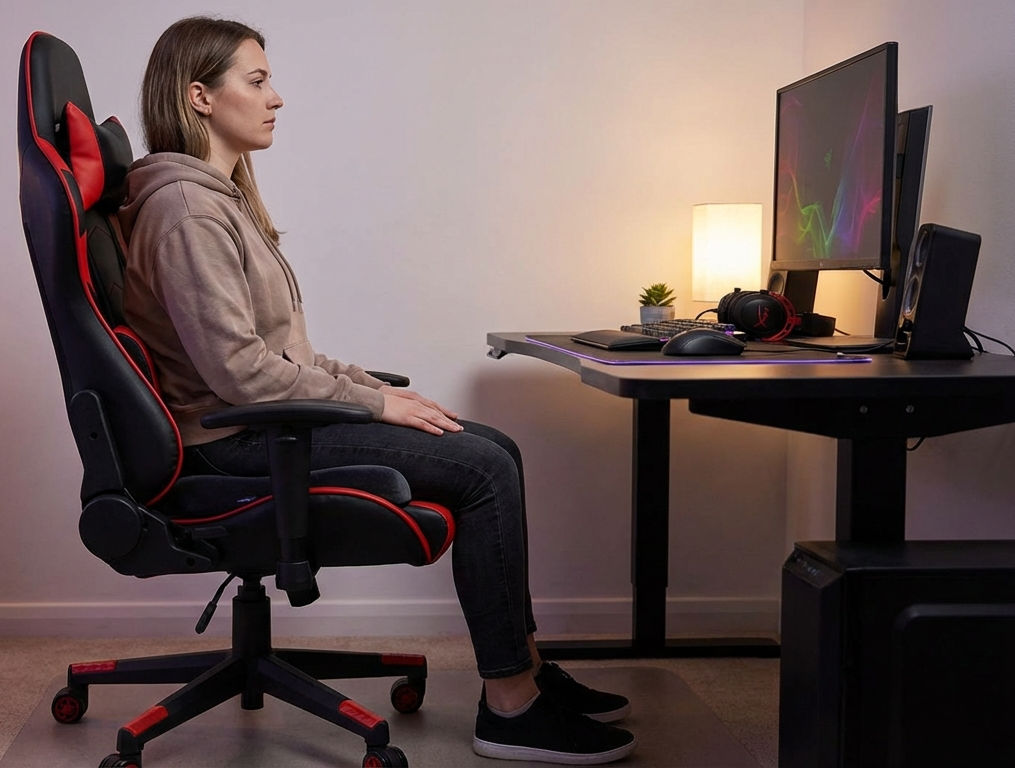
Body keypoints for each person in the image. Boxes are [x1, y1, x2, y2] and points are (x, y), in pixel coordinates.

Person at [117, 16, 636, 765]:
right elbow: (241, 375)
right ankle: (511, 707)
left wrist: (363, 384)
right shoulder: (187, 210)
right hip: (232, 445)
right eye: (257, 81)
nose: (277, 98)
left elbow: (277, 352)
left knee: (493, 446)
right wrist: (375, 403)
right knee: (484, 467)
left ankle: (525, 668)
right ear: (199, 96)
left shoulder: (216, 200)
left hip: (258, 425)